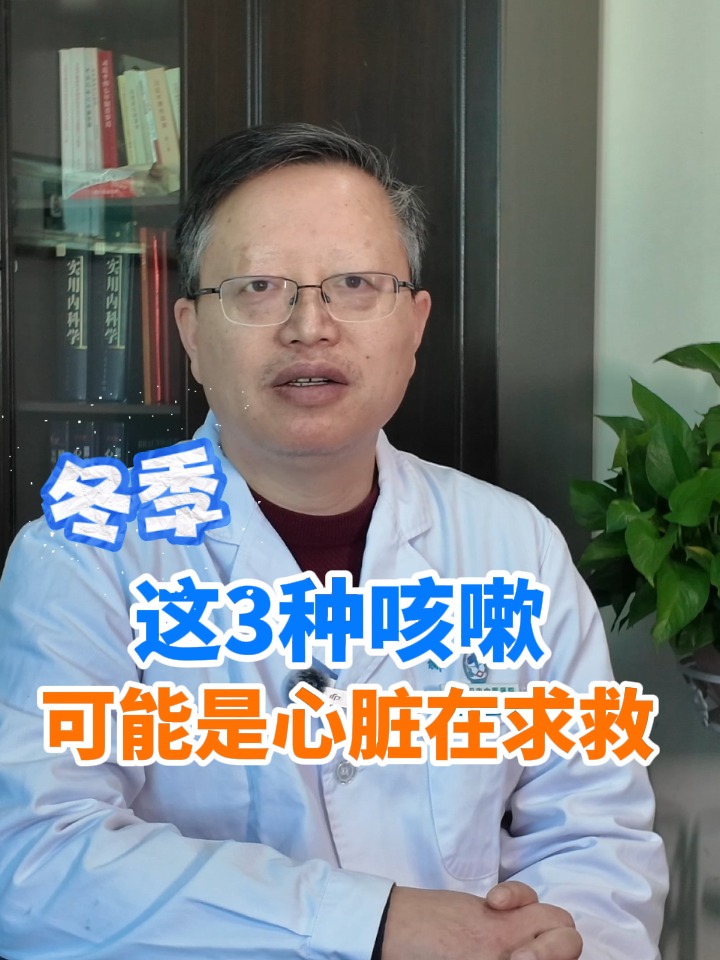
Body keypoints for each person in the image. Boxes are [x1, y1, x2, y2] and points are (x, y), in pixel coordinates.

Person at [0, 123, 667, 960]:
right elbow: (37, 863)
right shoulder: (85, 555)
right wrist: (373, 923)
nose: (309, 326)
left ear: (415, 324)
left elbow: (597, 837)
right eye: (258, 287)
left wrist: (559, 944)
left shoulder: (513, 546)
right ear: (191, 333)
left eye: (355, 284)